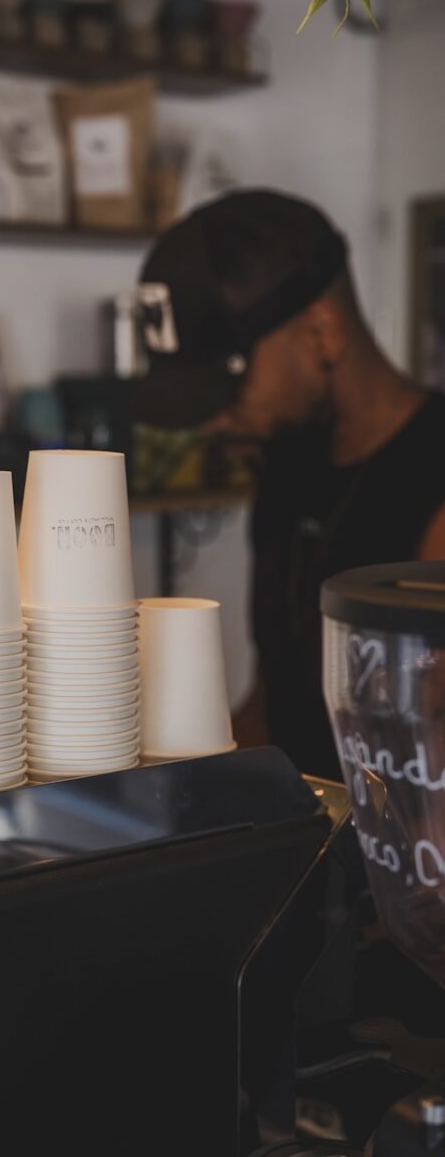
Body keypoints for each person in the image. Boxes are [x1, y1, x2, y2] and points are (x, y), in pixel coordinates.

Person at [137, 188, 445, 781]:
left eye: (230, 386)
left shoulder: (434, 479)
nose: (214, 419)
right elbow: (274, 699)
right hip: (304, 846)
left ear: (321, 333)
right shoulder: (287, 466)